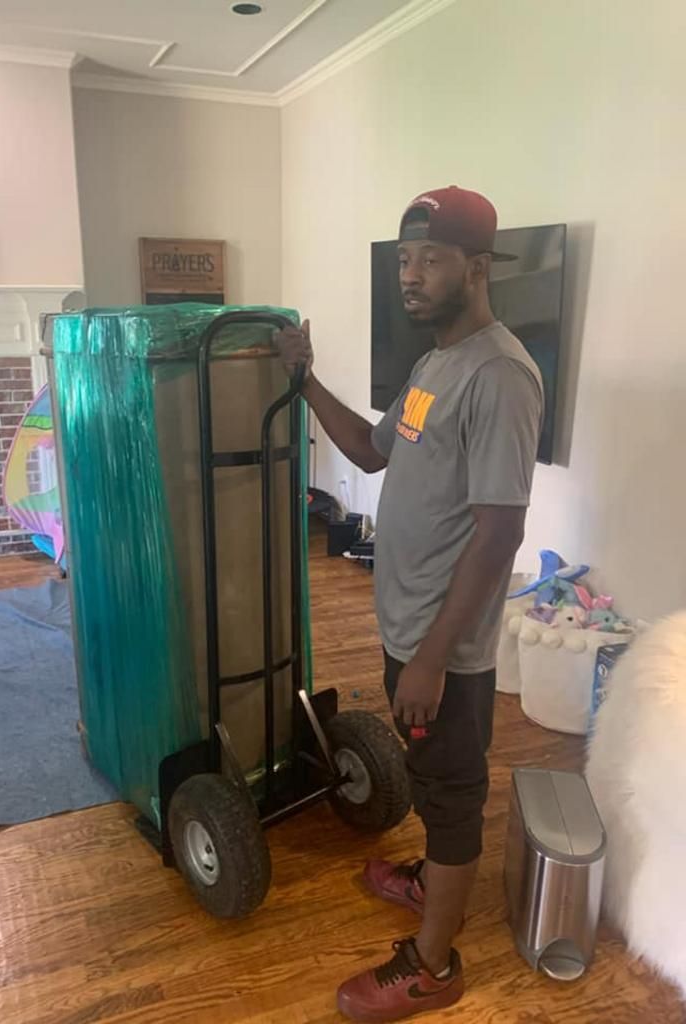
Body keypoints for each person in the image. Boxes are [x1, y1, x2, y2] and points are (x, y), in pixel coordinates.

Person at [274, 186, 543, 1023]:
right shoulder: (434, 366)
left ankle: (434, 965)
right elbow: (369, 449)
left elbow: (500, 533)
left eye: (431, 258)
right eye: (404, 260)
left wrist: (431, 659)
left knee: (453, 790)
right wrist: (304, 378)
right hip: (409, 626)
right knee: (431, 776)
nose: (411, 276)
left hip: (444, 648)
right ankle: (432, 880)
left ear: (477, 265)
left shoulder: (499, 375)